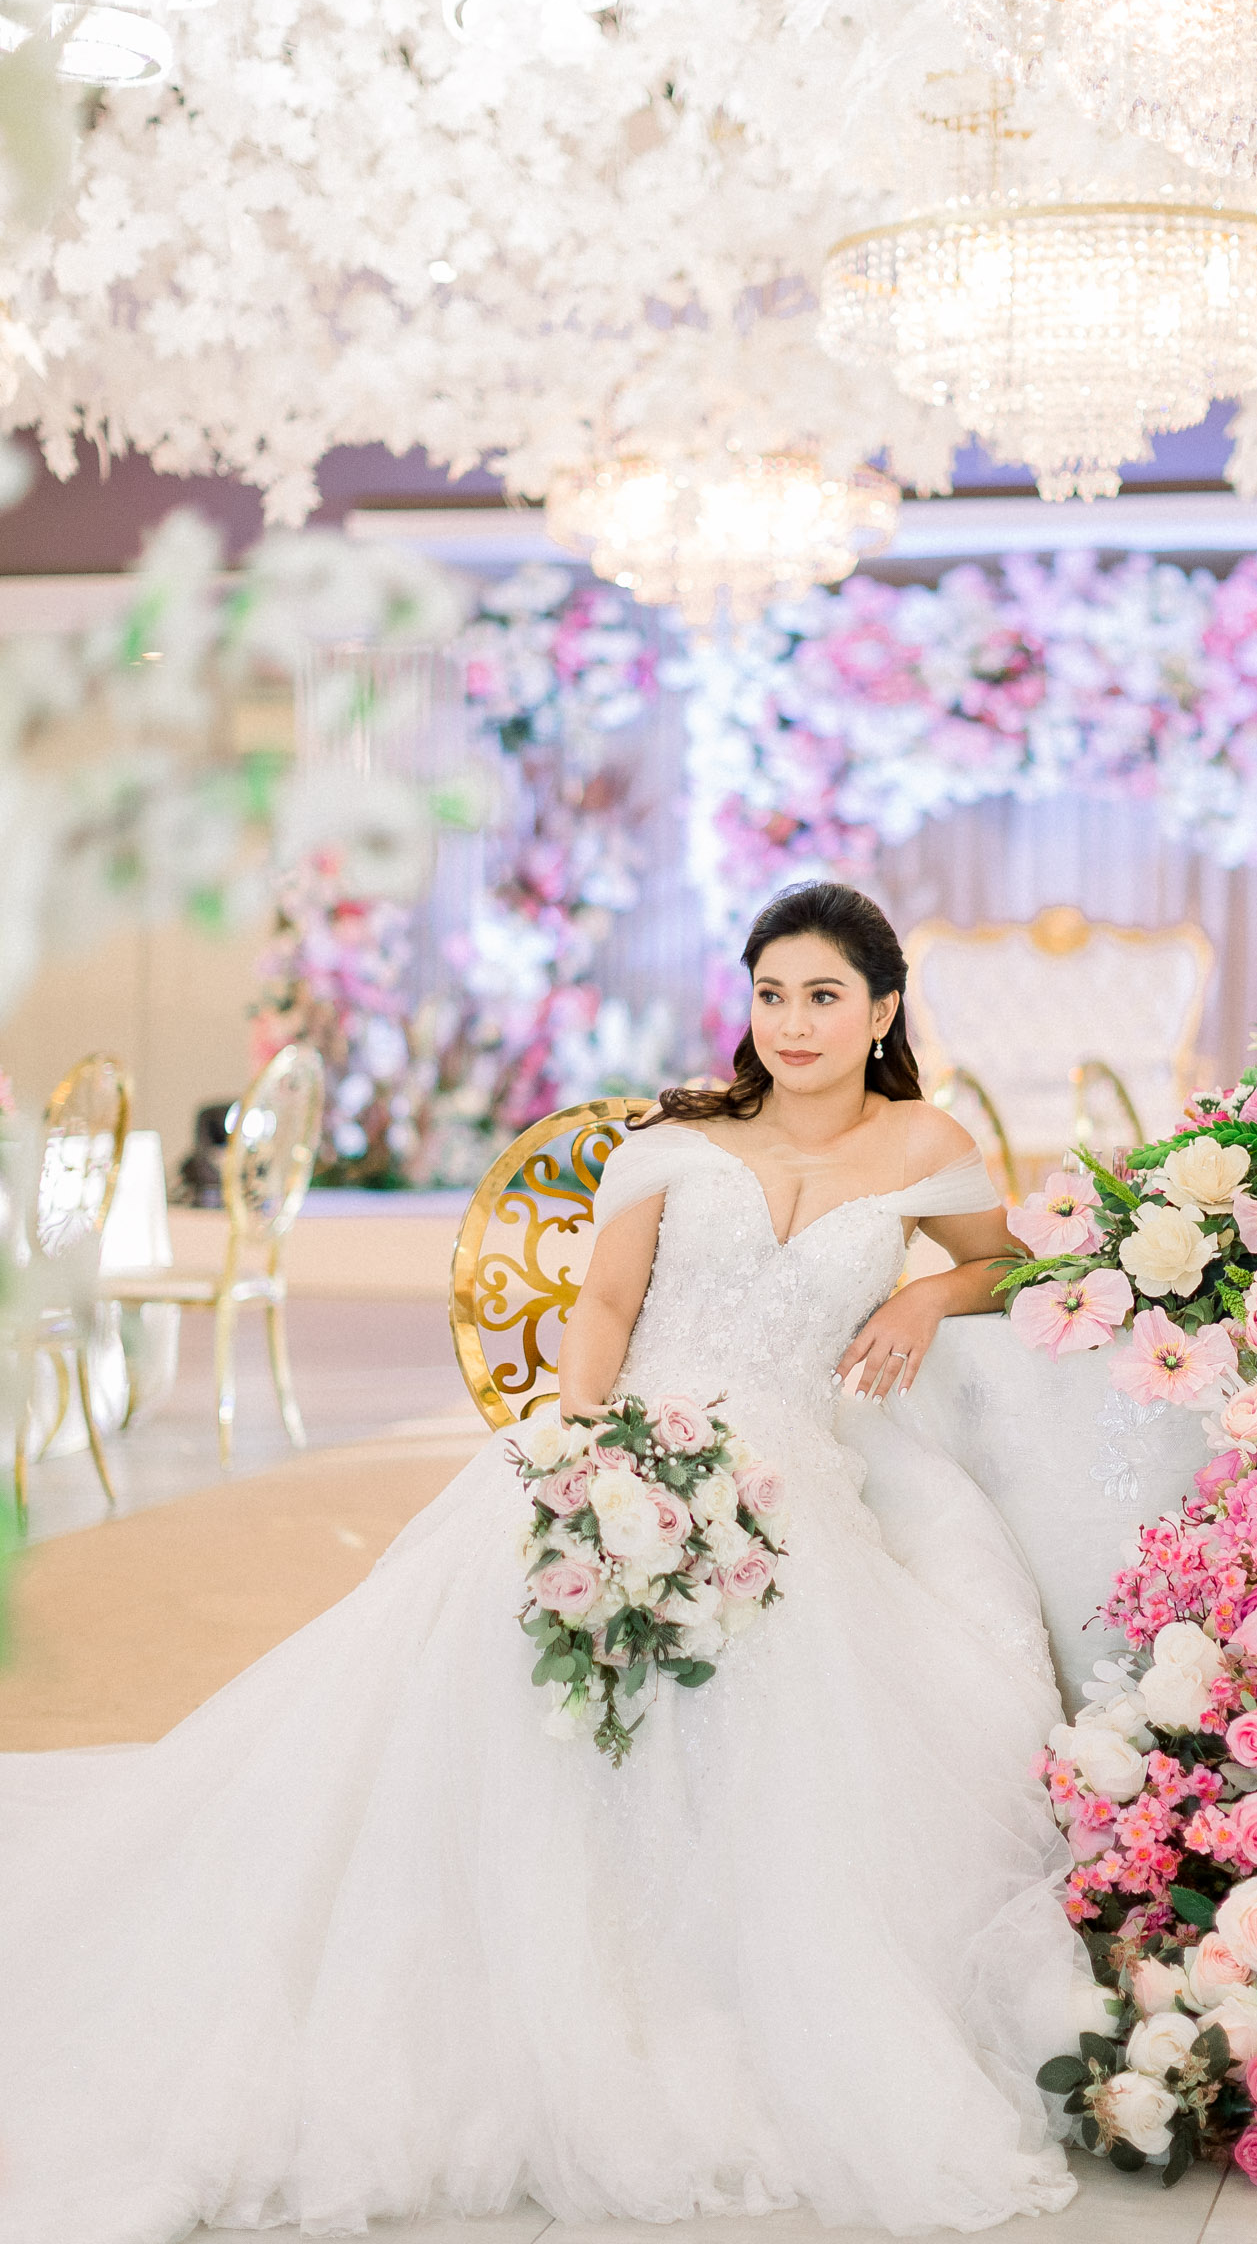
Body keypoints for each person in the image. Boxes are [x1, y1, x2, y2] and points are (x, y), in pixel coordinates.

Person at [0, 882, 1082, 2242]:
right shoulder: (679, 1141)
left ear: (882, 1010)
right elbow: (607, 1303)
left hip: (796, 1481)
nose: (793, 1024)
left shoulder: (929, 1144)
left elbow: (1010, 1264)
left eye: (823, 996)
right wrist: (588, 1459)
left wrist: (928, 1288)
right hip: (621, 1448)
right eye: (771, 994)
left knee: (796, 1703)